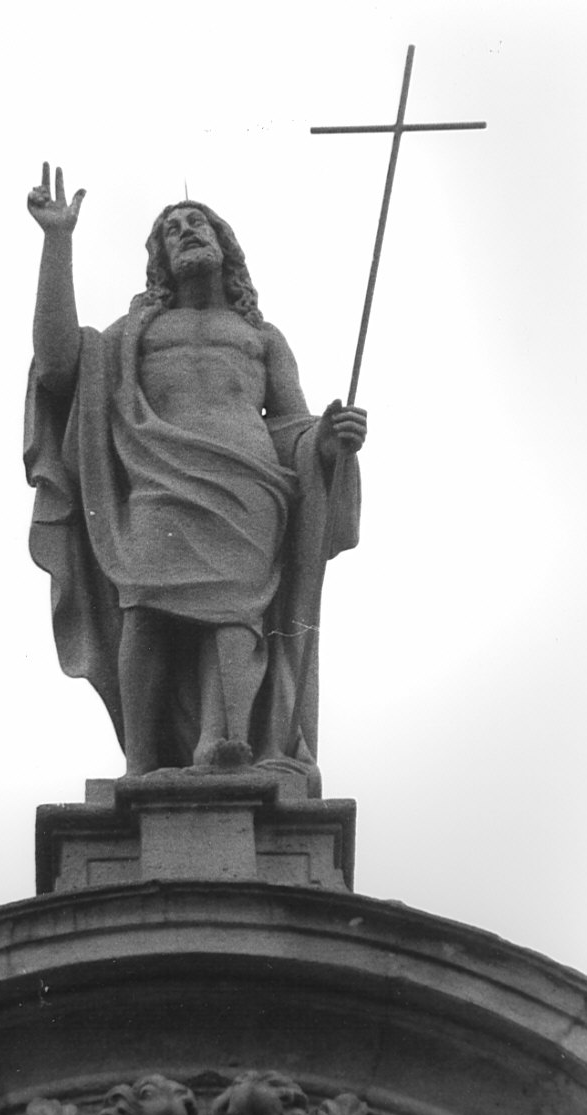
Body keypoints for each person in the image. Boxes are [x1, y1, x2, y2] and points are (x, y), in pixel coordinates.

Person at [25, 164, 366, 790]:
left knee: (238, 614)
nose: (185, 233)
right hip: (160, 481)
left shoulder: (260, 338)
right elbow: (57, 365)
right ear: (158, 260)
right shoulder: (135, 334)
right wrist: (57, 242)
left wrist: (328, 439)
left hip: (252, 487)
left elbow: (290, 423)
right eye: (172, 230)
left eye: (196, 224)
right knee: (145, 604)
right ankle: (142, 758)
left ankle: (222, 738)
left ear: (224, 244)